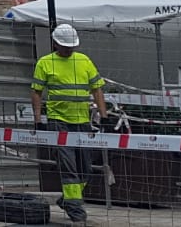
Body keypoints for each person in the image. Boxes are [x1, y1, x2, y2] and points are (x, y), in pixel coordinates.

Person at [31, 23, 109, 223]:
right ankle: (76, 210)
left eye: (71, 46)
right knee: (68, 167)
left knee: (86, 168)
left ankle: (67, 200)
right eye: (65, 46)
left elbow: (97, 89)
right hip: (59, 122)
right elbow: (37, 92)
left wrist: (104, 115)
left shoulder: (84, 61)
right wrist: (38, 119)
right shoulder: (45, 63)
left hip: (82, 121)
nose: (69, 49)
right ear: (55, 43)